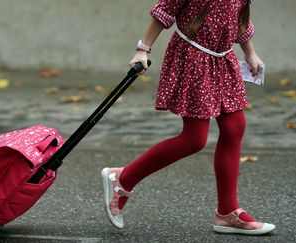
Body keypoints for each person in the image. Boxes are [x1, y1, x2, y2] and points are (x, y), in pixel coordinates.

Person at [101, 0, 276, 235]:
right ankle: (123, 178)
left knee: (234, 127)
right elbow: (164, 11)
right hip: (194, 58)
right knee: (194, 139)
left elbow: (239, 17)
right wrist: (142, 50)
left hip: (223, 59)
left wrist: (250, 53)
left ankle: (227, 212)